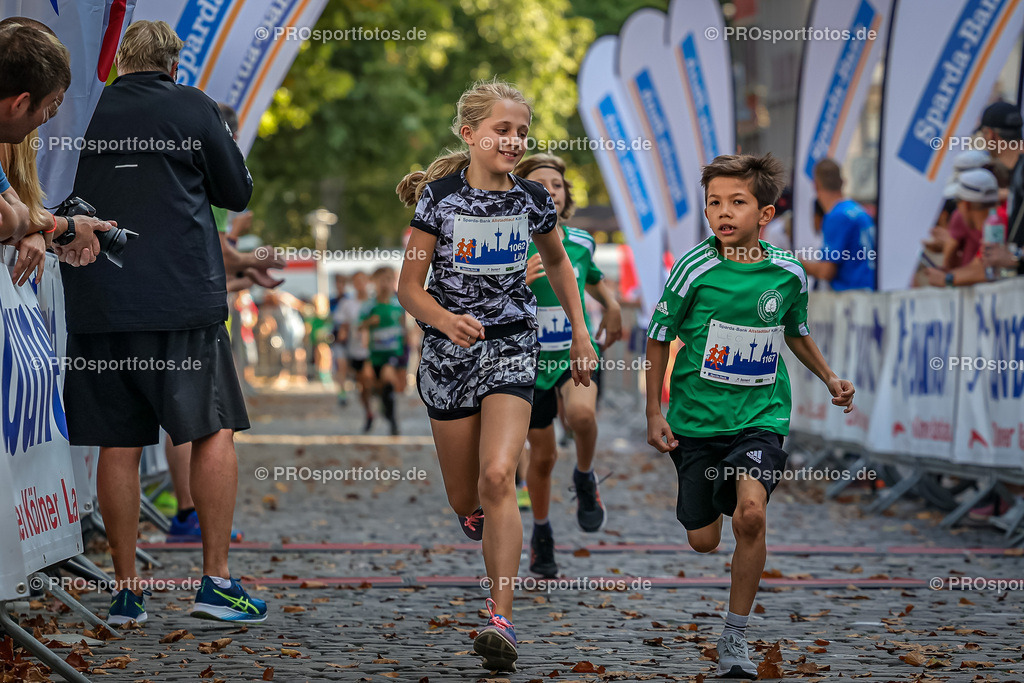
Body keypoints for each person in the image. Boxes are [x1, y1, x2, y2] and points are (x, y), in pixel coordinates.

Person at [59, 20, 266, 625]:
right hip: (180, 298)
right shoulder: (193, 105)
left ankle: (126, 592)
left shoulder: (86, 110)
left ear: (121, 61)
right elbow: (238, 193)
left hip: (99, 297)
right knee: (211, 431)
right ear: (175, 65)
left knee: (118, 445)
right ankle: (216, 583)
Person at [396, 79, 597, 672]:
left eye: (520, 132)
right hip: (447, 356)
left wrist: (581, 334)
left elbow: (559, 262)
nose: (513, 142)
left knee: (496, 475)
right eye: (502, 130)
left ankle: (500, 619)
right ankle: (483, 519)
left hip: (513, 346)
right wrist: (443, 319)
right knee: (468, 497)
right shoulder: (437, 200)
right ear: (470, 133)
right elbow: (408, 288)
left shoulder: (532, 201)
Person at [645, 153, 854, 679]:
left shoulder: (787, 273)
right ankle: (713, 504)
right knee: (703, 539)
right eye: (714, 201)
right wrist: (655, 412)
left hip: (761, 417)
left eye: (737, 202)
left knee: (753, 515)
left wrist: (830, 378)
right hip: (696, 422)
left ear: (765, 214)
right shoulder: (693, 269)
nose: (723, 211)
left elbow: (796, 332)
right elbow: (657, 337)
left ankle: (734, 637)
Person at [514, 153, 623, 578]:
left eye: (556, 185)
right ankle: (542, 533)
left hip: (574, 353)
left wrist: (611, 304)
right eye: (539, 184)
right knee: (541, 458)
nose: (550, 191)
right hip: (525, 364)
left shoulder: (580, 241)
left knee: (581, 414)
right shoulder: (508, 242)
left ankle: (584, 476)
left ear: (565, 195)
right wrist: (517, 279)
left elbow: (590, 275)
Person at [799, 158, 876, 291]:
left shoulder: (836, 216)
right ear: (842, 182)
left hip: (853, 296)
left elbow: (826, 271)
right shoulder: (858, 210)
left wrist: (794, 263)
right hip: (869, 291)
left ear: (816, 185)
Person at [924, 168, 1006, 287]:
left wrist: (947, 279)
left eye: (957, 202)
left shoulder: (997, 221)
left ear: (966, 204)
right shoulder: (996, 218)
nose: (957, 211)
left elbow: (987, 271)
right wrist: (949, 274)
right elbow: (977, 265)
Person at [360, 266, 408, 435]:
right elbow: (358, 326)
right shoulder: (369, 306)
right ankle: (375, 412)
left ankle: (392, 420)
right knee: (371, 386)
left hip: (393, 352)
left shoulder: (398, 305)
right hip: (374, 354)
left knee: (388, 380)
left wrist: (407, 352)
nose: (385, 284)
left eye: (388, 280)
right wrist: (369, 323)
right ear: (374, 283)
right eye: (381, 281)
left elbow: (404, 329)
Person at [978, 101, 1023, 250]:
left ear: (990, 134)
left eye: (983, 134)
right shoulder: (1018, 171)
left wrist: (1015, 257)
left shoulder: (1021, 172)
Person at [333, 270, 375, 427]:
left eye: (363, 281)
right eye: (357, 282)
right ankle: (369, 411)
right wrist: (342, 333)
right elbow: (341, 324)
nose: (360, 285)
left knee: (369, 378)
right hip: (355, 350)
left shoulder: (375, 302)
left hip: (375, 350)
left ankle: (382, 405)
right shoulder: (347, 304)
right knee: (363, 385)